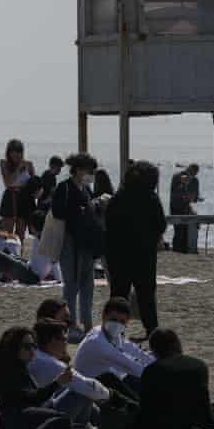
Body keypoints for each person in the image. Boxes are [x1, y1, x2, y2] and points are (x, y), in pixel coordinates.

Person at [133, 328, 214, 429]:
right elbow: (204, 407)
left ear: (154, 351)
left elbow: (146, 410)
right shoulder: (199, 365)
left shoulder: (152, 370)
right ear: (177, 344)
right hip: (197, 427)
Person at [105, 160, 167, 338]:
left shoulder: (118, 197)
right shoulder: (151, 198)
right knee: (146, 295)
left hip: (118, 253)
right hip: (144, 255)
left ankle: (115, 330)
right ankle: (151, 330)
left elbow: (109, 224)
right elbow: (161, 224)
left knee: (118, 294)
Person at [0, 327, 73, 429]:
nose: (32, 350)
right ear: (14, 349)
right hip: (17, 421)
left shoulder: (18, 367)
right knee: (63, 419)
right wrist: (58, 382)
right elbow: (35, 398)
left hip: (19, 418)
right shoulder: (12, 372)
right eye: (27, 347)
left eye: (34, 346)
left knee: (70, 425)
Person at [28, 321, 111, 429]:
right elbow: (87, 387)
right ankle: (93, 426)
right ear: (52, 341)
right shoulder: (51, 364)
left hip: (38, 412)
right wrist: (111, 396)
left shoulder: (39, 358)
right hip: (44, 418)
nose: (66, 344)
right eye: (64, 339)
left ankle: (99, 424)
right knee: (82, 392)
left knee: (76, 390)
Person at [51, 153, 101, 338]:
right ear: (79, 170)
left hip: (86, 243)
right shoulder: (64, 187)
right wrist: (78, 211)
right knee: (71, 286)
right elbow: (56, 211)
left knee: (88, 285)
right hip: (70, 242)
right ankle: (70, 325)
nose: (91, 174)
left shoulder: (86, 189)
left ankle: (87, 325)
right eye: (89, 170)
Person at [74, 298, 154, 393]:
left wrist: (156, 362)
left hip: (108, 379)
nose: (117, 324)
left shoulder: (105, 332)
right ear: (103, 315)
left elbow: (134, 350)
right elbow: (129, 364)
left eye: (122, 322)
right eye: (113, 319)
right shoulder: (98, 342)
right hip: (92, 388)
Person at [0, 139, 35, 239]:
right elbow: (8, 183)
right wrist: (19, 168)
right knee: (7, 232)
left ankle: (18, 253)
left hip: (24, 198)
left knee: (21, 233)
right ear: (9, 153)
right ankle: (5, 253)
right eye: (13, 152)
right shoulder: (4, 163)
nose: (16, 154)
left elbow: (34, 184)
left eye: (19, 151)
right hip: (10, 197)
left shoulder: (29, 164)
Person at [169, 164, 201, 254]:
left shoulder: (195, 181)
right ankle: (177, 250)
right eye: (191, 172)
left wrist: (193, 197)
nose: (192, 174)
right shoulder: (177, 177)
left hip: (186, 207)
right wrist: (183, 184)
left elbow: (195, 198)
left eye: (194, 173)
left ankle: (187, 249)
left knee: (189, 229)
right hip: (176, 207)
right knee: (178, 230)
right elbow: (174, 194)